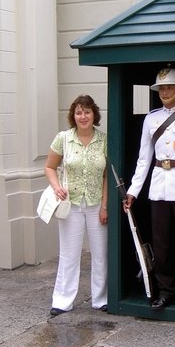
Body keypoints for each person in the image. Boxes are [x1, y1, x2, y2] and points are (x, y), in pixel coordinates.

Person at [124, 66, 175, 313]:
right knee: (161, 246)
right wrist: (133, 191)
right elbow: (143, 159)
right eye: (161, 87)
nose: (165, 91)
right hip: (159, 188)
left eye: (170, 87)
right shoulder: (151, 119)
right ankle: (166, 292)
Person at [44, 95, 108, 316]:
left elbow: (108, 176)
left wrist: (105, 207)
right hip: (70, 205)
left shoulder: (104, 140)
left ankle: (101, 298)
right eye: (79, 112)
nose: (83, 116)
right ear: (73, 116)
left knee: (100, 253)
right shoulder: (63, 139)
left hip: (96, 203)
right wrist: (56, 187)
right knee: (69, 254)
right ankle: (62, 300)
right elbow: (49, 167)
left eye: (87, 112)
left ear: (94, 115)